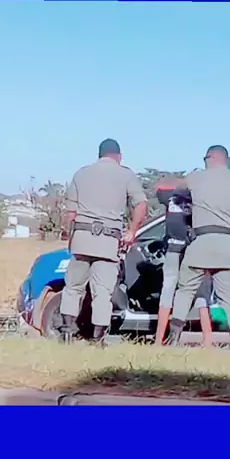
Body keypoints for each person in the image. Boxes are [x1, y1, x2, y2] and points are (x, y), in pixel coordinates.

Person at [166, 146, 230, 347]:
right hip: (227, 245)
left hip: (201, 243)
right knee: (228, 296)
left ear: (211, 158)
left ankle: (174, 337)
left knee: (185, 290)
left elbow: (176, 190)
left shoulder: (195, 178)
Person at [59, 139, 147, 345]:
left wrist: (71, 238)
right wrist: (132, 231)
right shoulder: (126, 175)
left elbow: (70, 214)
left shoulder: (81, 174)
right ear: (119, 156)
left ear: (99, 154)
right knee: (102, 293)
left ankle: (67, 332)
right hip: (108, 242)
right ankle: (97, 338)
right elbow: (141, 205)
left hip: (82, 239)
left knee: (73, 288)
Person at [155, 187, 213, 346]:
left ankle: (159, 339)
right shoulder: (202, 201)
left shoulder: (170, 198)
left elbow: (159, 190)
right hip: (196, 251)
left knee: (167, 292)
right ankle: (208, 342)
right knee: (201, 293)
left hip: (173, 249)